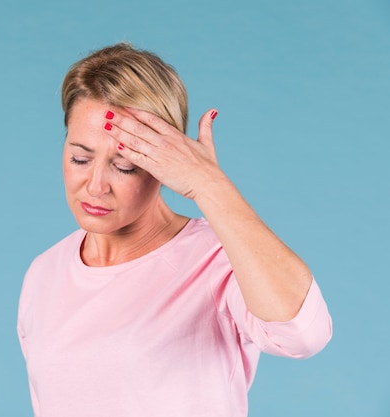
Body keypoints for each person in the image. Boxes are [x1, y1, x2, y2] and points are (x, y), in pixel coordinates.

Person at [17, 43, 332, 417]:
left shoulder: (217, 259)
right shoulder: (45, 272)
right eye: (80, 158)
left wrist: (209, 184)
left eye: (125, 166)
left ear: (164, 161)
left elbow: (304, 335)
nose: (96, 184)